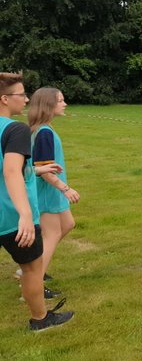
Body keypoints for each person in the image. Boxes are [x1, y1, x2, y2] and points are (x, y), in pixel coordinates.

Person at [0, 72, 73, 330]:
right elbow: (11, 172)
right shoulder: (15, 129)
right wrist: (25, 214)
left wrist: (38, 169)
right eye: (22, 94)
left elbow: (17, 168)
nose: (26, 99)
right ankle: (41, 320)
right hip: (10, 215)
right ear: (5, 99)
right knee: (32, 268)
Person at [28, 88, 80, 293]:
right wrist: (65, 188)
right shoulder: (44, 133)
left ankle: (32, 269)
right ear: (48, 105)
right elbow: (45, 171)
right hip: (47, 192)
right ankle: (34, 284)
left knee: (67, 224)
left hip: (52, 192)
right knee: (51, 234)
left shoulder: (44, 129)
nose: (65, 104)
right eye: (60, 100)